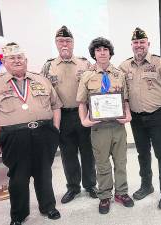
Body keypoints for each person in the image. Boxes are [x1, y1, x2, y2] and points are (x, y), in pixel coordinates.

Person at [0, 43, 62, 225]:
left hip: (43, 133)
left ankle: (48, 207)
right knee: (18, 178)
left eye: (20, 57)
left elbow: (56, 105)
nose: (17, 61)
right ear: (4, 61)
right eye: (12, 58)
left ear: (26, 60)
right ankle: (19, 215)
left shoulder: (41, 80)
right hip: (14, 137)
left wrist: (55, 129)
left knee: (44, 173)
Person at [119, 27, 161, 209]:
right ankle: (147, 186)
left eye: (142, 42)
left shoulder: (159, 63)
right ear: (132, 45)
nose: (139, 45)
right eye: (135, 43)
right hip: (137, 118)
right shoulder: (124, 66)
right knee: (142, 154)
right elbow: (121, 91)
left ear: (148, 44)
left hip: (157, 116)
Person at [76, 37, 134, 214]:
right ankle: (104, 196)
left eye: (105, 49)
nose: (102, 52)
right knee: (102, 164)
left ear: (110, 52)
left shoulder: (119, 75)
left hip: (117, 126)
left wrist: (128, 114)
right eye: (98, 50)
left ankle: (121, 193)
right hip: (99, 128)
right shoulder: (86, 76)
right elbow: (82, 102)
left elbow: (125, 100)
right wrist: (84, 120)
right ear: (93, 53)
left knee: (121, 162)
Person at [41, 25, 97, 204]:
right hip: (62, 117)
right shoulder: (48, 66)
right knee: (68, 153)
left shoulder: (85, 63)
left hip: (84, 114)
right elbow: (44, 93)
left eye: (68, 41)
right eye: (61, 41)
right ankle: (73, 187)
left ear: (73, 43)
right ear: (56, 43)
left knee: (88, 152)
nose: (64, 44)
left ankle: (90, 185)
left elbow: (94, 88)